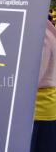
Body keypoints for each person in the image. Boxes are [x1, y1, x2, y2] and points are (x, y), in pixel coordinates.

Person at [31, 19, 56, 151]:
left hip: (39, 113)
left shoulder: (42, 32)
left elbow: (33, 77)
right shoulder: (47, 29)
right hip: (43, 111)